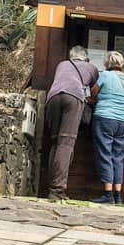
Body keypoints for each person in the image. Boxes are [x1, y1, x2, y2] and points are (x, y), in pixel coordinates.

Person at [45, 45, 99, 201]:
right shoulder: (91, 68)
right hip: (73, 97)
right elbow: (94, 92)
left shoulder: (62, 64)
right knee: (66, 143)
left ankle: (52, 186)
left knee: (55, 142)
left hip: (53, 98)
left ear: (71, 56)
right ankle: (57, 190)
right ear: (86, 58)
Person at [89, 50, 124, 205]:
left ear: (108, 63)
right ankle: (118, 194)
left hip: (105, 117)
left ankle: (107, 193)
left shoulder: (106, 75)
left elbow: (93, 92)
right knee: (118, 156)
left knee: (105, 153)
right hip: (123, 120)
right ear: (121, 64)